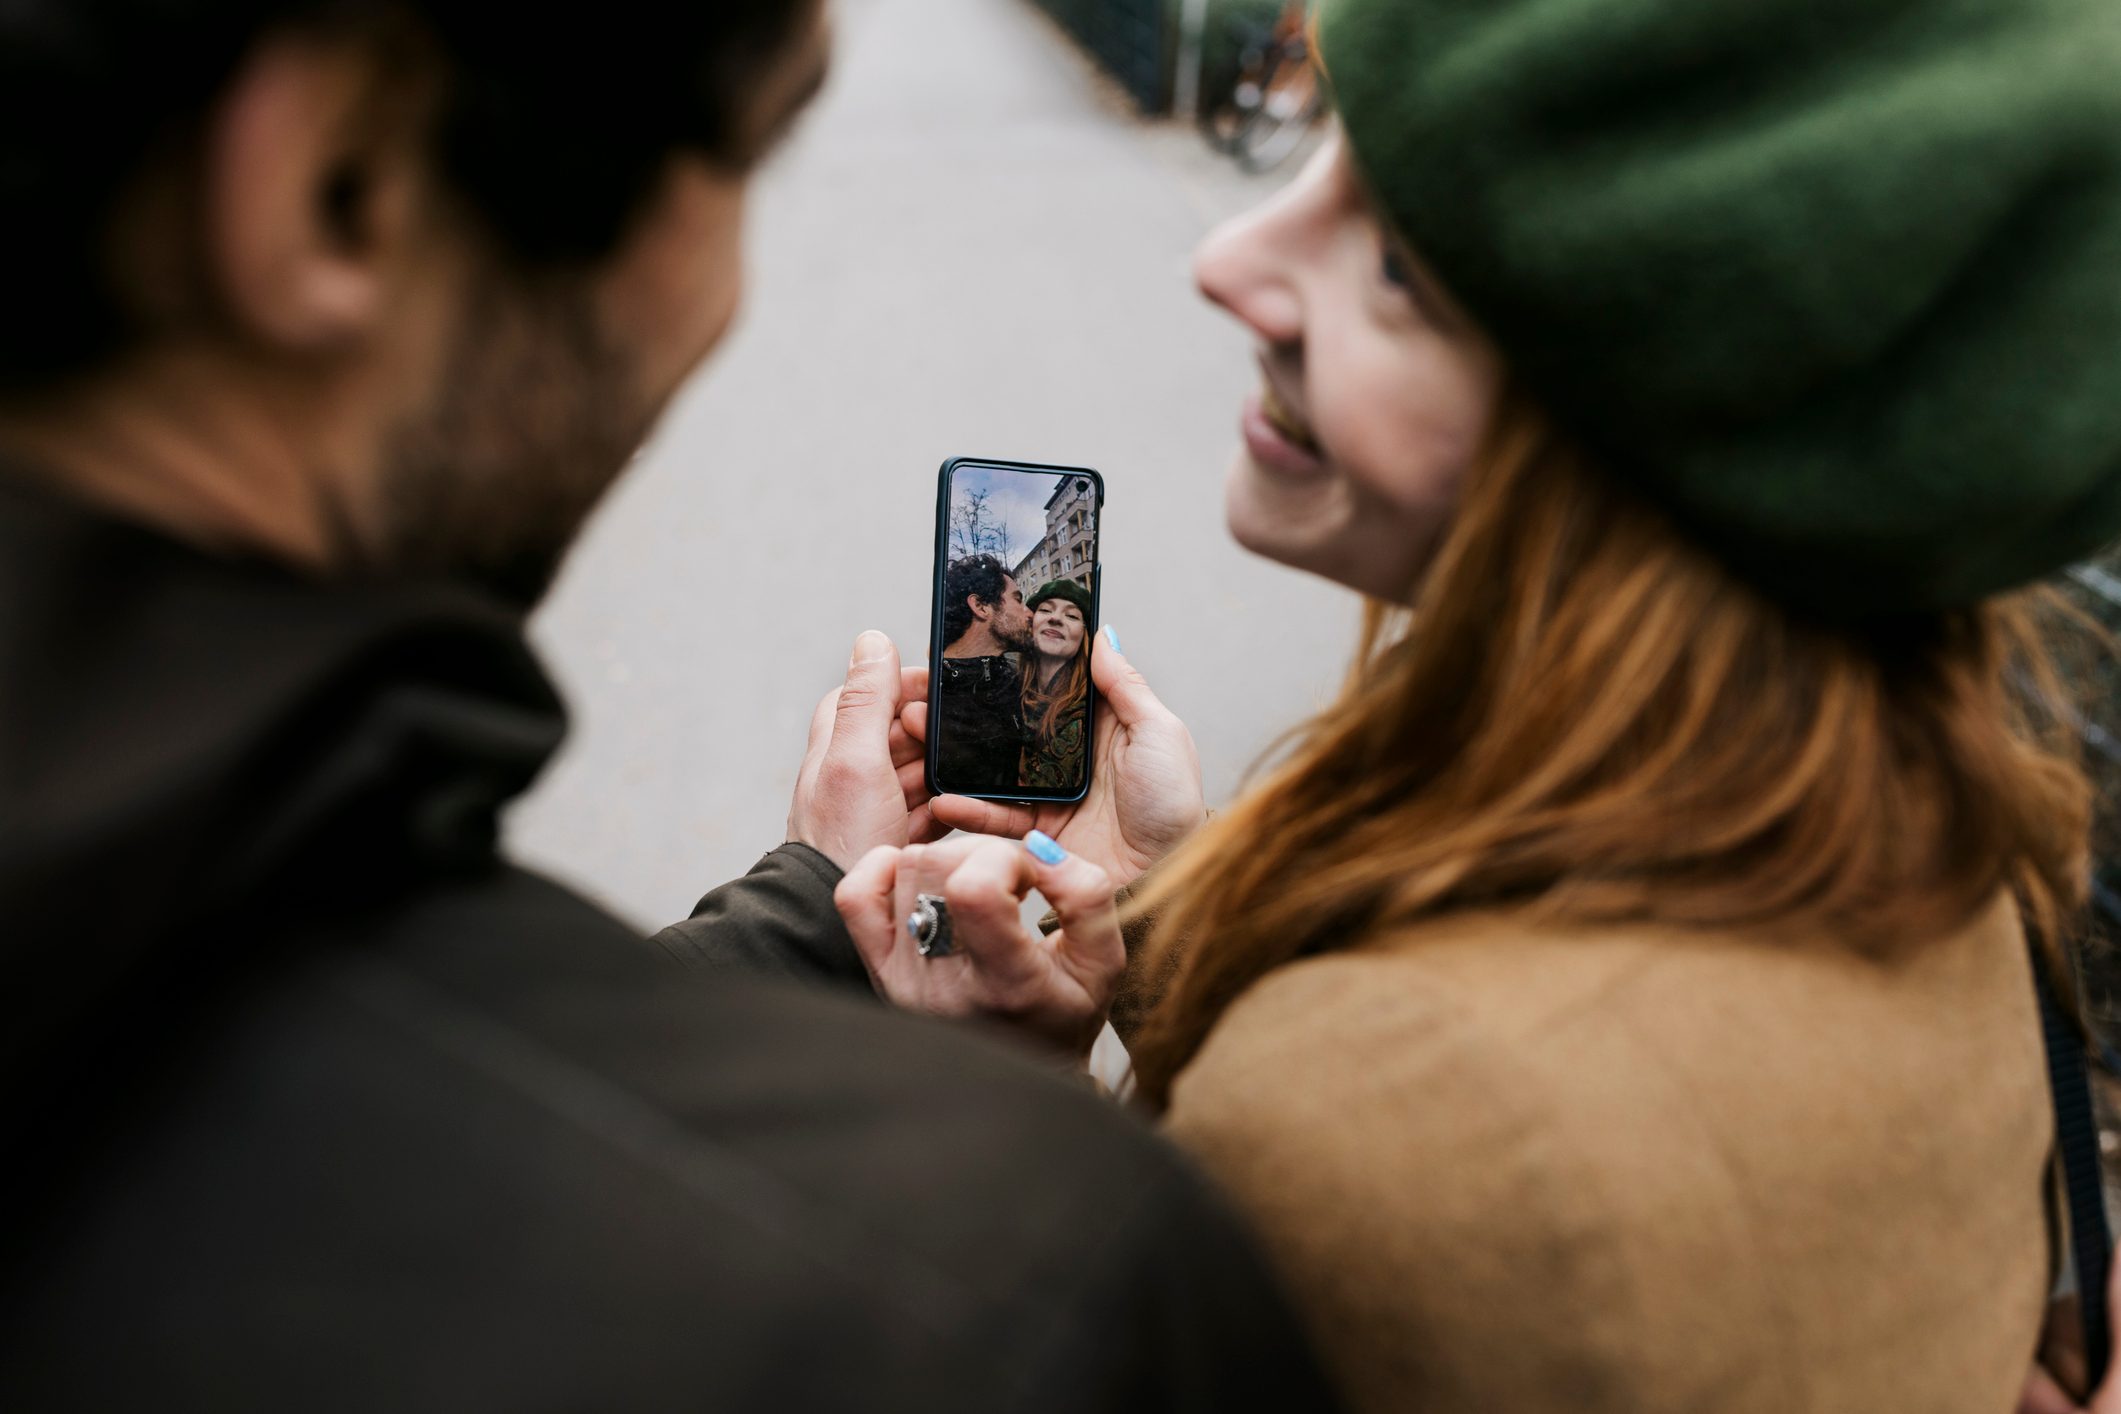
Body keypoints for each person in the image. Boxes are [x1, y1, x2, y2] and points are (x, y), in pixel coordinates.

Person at [0, 2, 1339, 1408]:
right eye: (744, 159)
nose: (724, 294)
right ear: (342, 183)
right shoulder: (997, 1289)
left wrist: (813, 903)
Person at [825, 0, 2121, 1409]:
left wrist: (994, 1094)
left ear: (1661, 415)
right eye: (1324, 143)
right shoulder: (1955, 840)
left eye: (1396, 260)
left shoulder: (1409, 1131)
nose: (1229, 259)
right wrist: (1154, 908)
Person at [935, 553, 1034, 793]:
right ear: (981, 606)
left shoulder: (1014, 682)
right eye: (1018, 600)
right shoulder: (935, 693)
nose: (1029, 613)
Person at [1019, 579, 1092, 792]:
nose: (1055, 618)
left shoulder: (1088, 712)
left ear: (1084, 636)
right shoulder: (1005, 691)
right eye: (1045, 610)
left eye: (1071, 615)